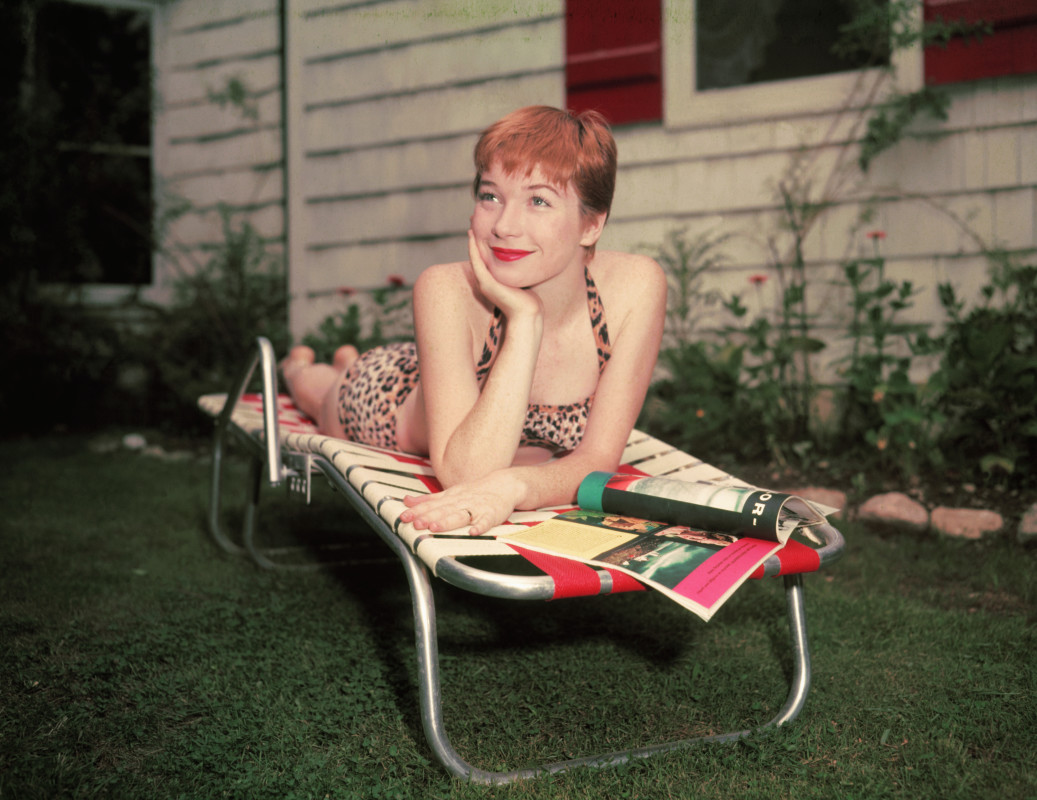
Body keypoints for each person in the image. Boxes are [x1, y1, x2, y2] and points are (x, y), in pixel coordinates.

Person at [281, 105, 667, 536]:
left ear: (591, 225)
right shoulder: (446, 289)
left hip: (441, 370)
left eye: (538, 200)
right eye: (490, 196)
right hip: (387, 394)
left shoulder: (635, 287)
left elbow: (598, 459)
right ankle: (300, 367)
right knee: (318, 395)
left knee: (347, 369)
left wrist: (515, 486)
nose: (504, 225)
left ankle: (336, 359)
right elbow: (466, 476)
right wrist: (523, 321)